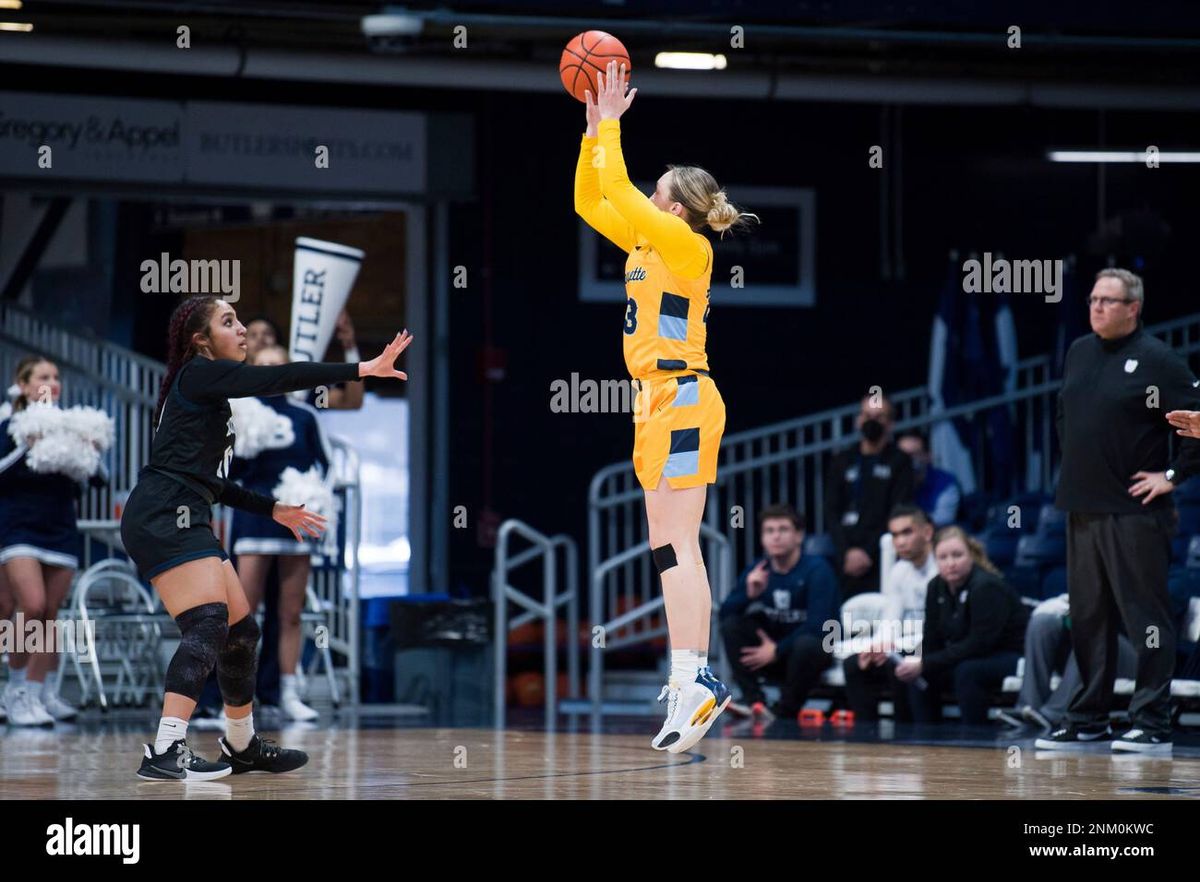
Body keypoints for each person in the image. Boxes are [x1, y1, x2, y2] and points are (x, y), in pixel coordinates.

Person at [120, 294, 410, 780]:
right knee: (209, 623)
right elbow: (278, 377)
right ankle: (165, 748)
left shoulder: (204, 390)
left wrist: (272, 508)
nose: (241, 332)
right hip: (163, 515)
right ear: (200, 340)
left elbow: (208, 482)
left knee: (240, 633)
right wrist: (361, 368)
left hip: (187, 511)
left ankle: (241, 742)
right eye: (229, 322)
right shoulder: (200, 372)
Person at [576, 60, 758, 753]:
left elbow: (617, 188)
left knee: (677, 545)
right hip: (654, 402)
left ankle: (696, 678)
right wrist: (592, 133)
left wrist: (614, 128)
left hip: (683, 394)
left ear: (674, 207)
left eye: (656, 195)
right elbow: (593, 203)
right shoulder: (650, 242)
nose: (642, 202)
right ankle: (690, 678)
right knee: (664, 547)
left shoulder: (686, 245)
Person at [1043, 268, 1200, 755]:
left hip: (1135, 513)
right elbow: (1065, 415)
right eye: (1092, 299)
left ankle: (1151, 720)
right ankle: (1088, 716)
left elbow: (1198, 424)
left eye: (1108, 301)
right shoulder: (1079, 351)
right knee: (1088, 617)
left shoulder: (1159, 361)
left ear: (1133, 308)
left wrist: (1171, 476)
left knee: (1144, 617)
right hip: (1082, 507)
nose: (1096, 307)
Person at [228, 343, 336, 721]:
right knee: (242, 612)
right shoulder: (238, 409)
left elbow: (327, 465)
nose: (272, 372)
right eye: (264, 366)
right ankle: (238, 696)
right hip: (255, 519)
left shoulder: (305, 416)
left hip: (296, 520)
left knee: (291, 613)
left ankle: (288, 692)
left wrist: (317, 498)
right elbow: (227, 469)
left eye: (279, 366)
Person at [0, 355, 106, 726]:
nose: (53, 382)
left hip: (60, 525)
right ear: (24, 385)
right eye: (43, 377)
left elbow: (97, 481)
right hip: (19, 526)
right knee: (30, 604)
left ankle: (39, 690)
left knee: (49, 615)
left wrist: (92, 450)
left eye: (57, 376)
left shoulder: (70, 424)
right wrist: (27, 446)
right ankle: (14, 691)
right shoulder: (10, 423)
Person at [894, 526, 1030, 725]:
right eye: (943, 557)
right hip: (968, 653)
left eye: (957, 555)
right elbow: (932, 637)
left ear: (971, 556)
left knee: (967, 671)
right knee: (912, 668)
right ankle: (920, 735)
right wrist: (916, 661)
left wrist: (926, 663)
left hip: (1009, 655)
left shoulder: (986, 586)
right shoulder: (935, 587)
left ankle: (975, 737)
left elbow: (979, 644)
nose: (951, 563)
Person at [719, 505, 837, 720]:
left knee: (809, 643)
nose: (776, 536)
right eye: (769, 531)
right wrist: (749, 594)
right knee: (732, 626)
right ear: (763, 538)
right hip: (771, 654)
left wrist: (776, 650)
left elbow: (819, 624)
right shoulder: (759, 569)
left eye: (783, 529)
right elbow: (724, 614)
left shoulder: (818, 570)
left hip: (807, 656)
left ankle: (783, 712)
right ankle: (755, 702)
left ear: (799, 536)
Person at [842, 505, 938, 722]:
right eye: (895, 535)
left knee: (899, 659)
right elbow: (890, 620)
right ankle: (866, 738)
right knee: (855, 663)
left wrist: (892, 646)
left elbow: (938, 630)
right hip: (906, 646)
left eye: (907, 532)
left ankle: (907, 732)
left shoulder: (942, 568)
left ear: (927, 532)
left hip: (933, 649)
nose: (900, 542)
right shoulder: (899, 571)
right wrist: (878, 645)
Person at [1004, 593, 1137, 732]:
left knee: (1091, 636)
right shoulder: (1088, 576)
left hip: (1129, 651)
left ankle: (1053, 713)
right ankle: (1029, 706)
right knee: (1043, 621)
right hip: (1092, 642)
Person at [825, 395, 914, 599]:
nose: (872, 421)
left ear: (890, 423)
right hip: (845, 553)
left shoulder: (900, 461)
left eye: (879, 416)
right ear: (858, 420)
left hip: (882, 552)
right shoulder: (842, 460)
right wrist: (846, 552)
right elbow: (830, 510)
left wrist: (868, 552)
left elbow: (899, 510)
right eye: (867, 415)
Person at [896, 430, 961, 527]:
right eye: (902, 455)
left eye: (913, 454)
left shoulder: (945, 483)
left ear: (928, 456)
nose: (907, 460)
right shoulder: (892, 482)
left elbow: (942, 522)